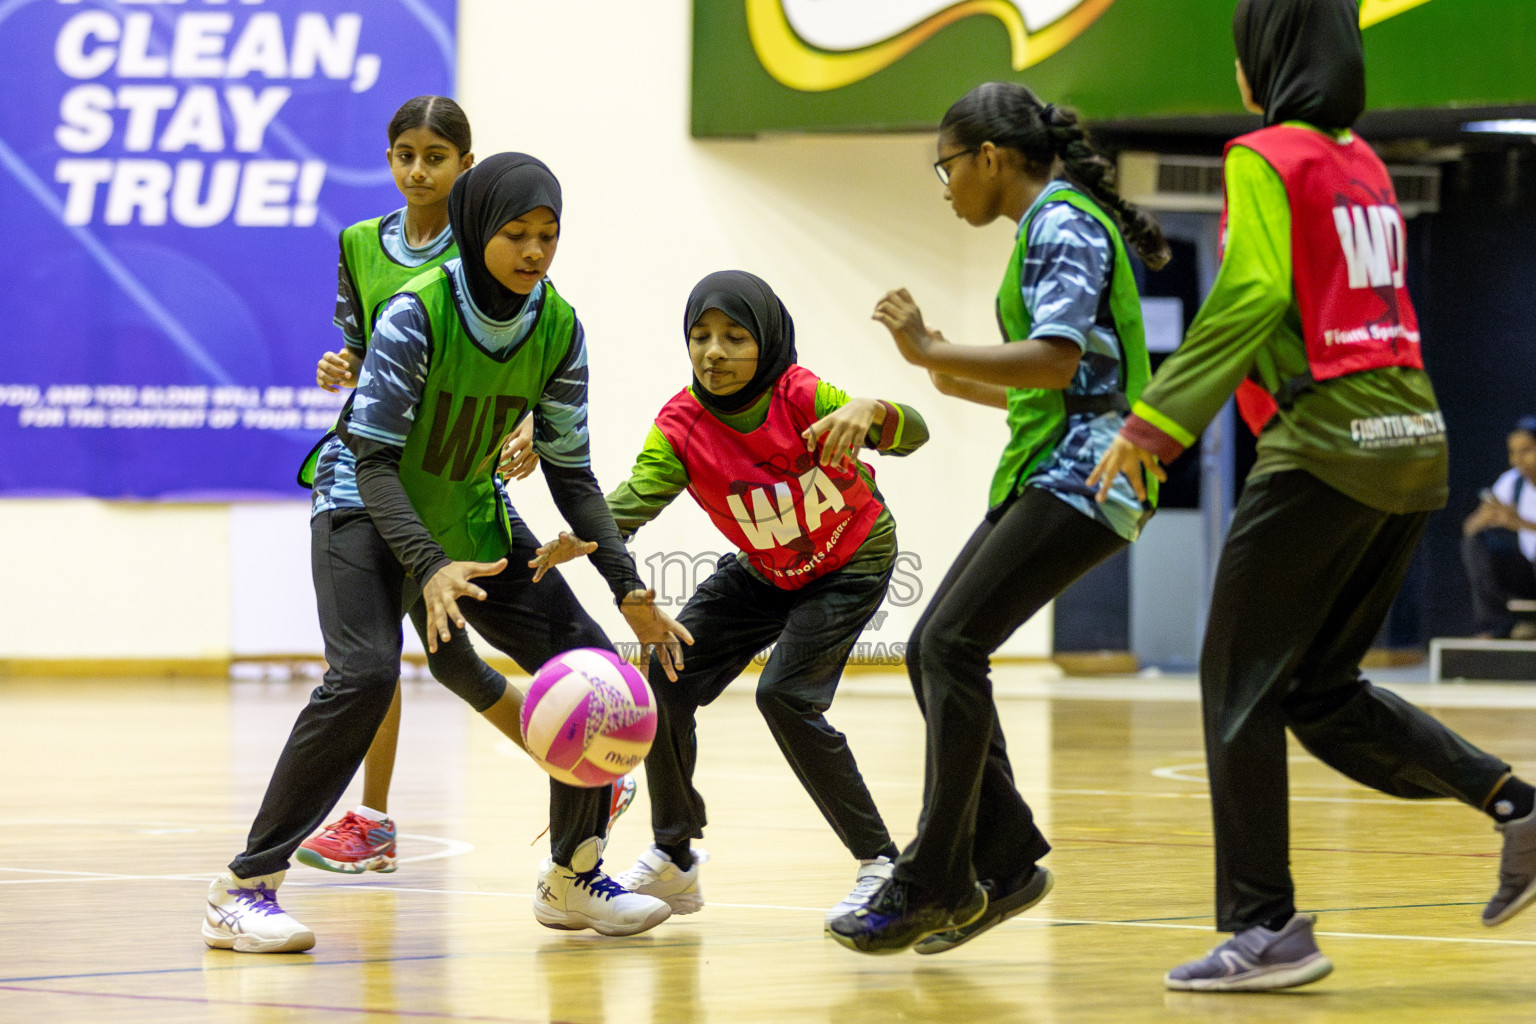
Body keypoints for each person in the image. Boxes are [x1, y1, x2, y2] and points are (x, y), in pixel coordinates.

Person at [1089, 0, 1536, 992]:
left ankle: (1264, 926)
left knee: (1236, 680)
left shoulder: (1268, 156)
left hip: (1328, 445)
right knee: (1318, 691)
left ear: (1268, 60)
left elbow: (1249, 298)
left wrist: (1152, 423)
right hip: (1413, 441)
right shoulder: (1366, 163)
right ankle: (1516, 805)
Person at [201, 153, 691, 953]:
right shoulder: (416, 312)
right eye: (517, 234)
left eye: (549, 236)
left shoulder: (559, 328)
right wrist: (426, 565)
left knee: (595, 667)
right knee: (363, 677)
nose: (535, 252)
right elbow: (372, 459)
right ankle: (243, 887)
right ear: (475, 230)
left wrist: (628, 588)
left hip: (469, 513)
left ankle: (574, 876)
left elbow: (572, 473)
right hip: (362, 507)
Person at [827, 81, 1169, 955]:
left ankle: (938, 877)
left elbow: (1057, 363)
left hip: (1091, 475)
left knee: (947, 646)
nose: (945, 187)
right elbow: (1062, 372)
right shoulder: (1049, 225)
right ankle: (1006, 860)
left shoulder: (1061, 221)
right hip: (1054, 468)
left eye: (946, 167)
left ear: (988, 157)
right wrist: (953, 375)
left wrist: (931, 349)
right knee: (937, 647)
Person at [296, 97, 632, 875]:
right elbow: (359, 350)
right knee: (377, 663)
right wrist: (342, 367)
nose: (419, 169)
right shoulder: (358, 245)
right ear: (389, 161)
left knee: (442, 660)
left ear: (466, 168)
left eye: (436, 156)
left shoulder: (494, 243)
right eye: (405, 154)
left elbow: (517, 362)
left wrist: (521, 429)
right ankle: (373, 816)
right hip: (381, 476)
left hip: (456, 481)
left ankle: (583, 776)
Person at [548, 270, 930, 926]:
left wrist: (873, 409)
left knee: (785, 695)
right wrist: (587, 533)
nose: (713, 351)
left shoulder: (801, 394)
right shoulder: (681, 424)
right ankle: (674, 858)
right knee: (666, 673)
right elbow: (637, 495)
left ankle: (882, 864)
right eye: (700, 336)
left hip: (850, 560)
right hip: (766, 569)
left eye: (733, 336)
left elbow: (913, 433)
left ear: (769, 341)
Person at [1462, 416, 1536, 639]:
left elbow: (1519, 523)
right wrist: (1484, 519)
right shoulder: (1511, 482)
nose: (1518, 460)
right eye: (1513, 452)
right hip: (1526, 571)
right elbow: (1469, 529)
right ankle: (1493, 625)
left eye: (1526, 451)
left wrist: (1520, 523)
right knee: (1476, 543)